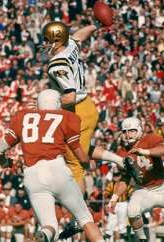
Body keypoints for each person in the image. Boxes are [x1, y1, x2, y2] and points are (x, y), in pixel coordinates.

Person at [0, 89, 105, 242]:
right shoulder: (66, 117)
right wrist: (86, 165)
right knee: (85, 218)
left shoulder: (22, 116)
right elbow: (81, 156)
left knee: (49, 225)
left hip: (32, 175)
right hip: (56, 169)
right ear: (58, 103)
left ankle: (43, 235)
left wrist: (6, 163)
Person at [42, 21, 124, 194]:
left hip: (76, 111)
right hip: (87, 106)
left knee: (75, 165)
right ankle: (117, 159)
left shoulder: (57, 64)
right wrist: (96, 24)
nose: (44, 43)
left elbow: (70, 97)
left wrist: (48, 106)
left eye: (46, 40)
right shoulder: (69, 45)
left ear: (56, 41)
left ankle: (81, 218)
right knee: (81, 149)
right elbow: (78, 36)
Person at [109, 117, 164, 242]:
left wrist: (145, 151)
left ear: (139, 129)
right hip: (143, 189)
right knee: (132, 213)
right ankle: (142, 239)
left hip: (163, 186)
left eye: (131, 130)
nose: (127, 134)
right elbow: (125, 178)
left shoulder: (150, 138)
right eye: (125, 131)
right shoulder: (122, 152)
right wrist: (114, 197)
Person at [104, 167, 133, 241]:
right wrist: (107, 203)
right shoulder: (111, 184)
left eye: (117, 175)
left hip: (123, 203)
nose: (115, 177)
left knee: (122, 224)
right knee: (110, 223)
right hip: (114, 203)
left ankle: (122, 240)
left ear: (120, 175)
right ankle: (107, 240)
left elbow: (131, 194)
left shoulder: (125, 184)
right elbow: (105, 193)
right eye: (114, 175)